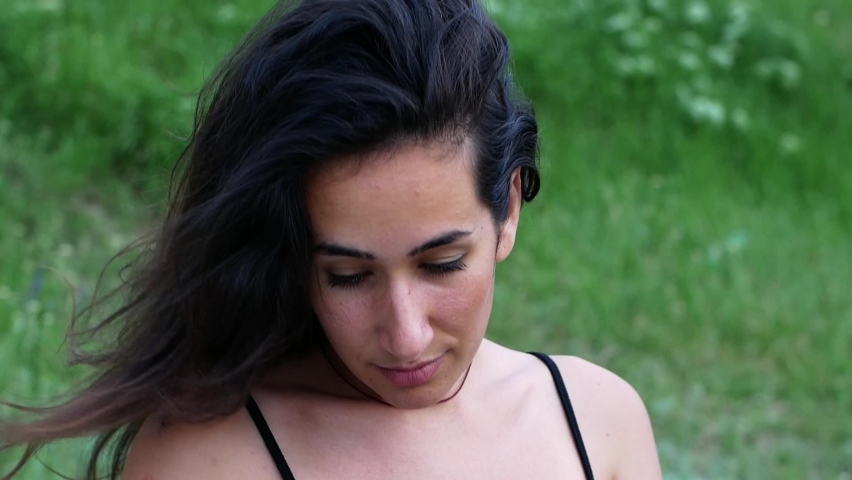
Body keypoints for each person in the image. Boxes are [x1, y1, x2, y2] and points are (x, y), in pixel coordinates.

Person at [1, 0, 663, 478]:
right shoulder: (211, 457)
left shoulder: (596, 420)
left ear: (509, 208)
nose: (405, 335)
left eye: (441, 263)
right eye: (348, 275)